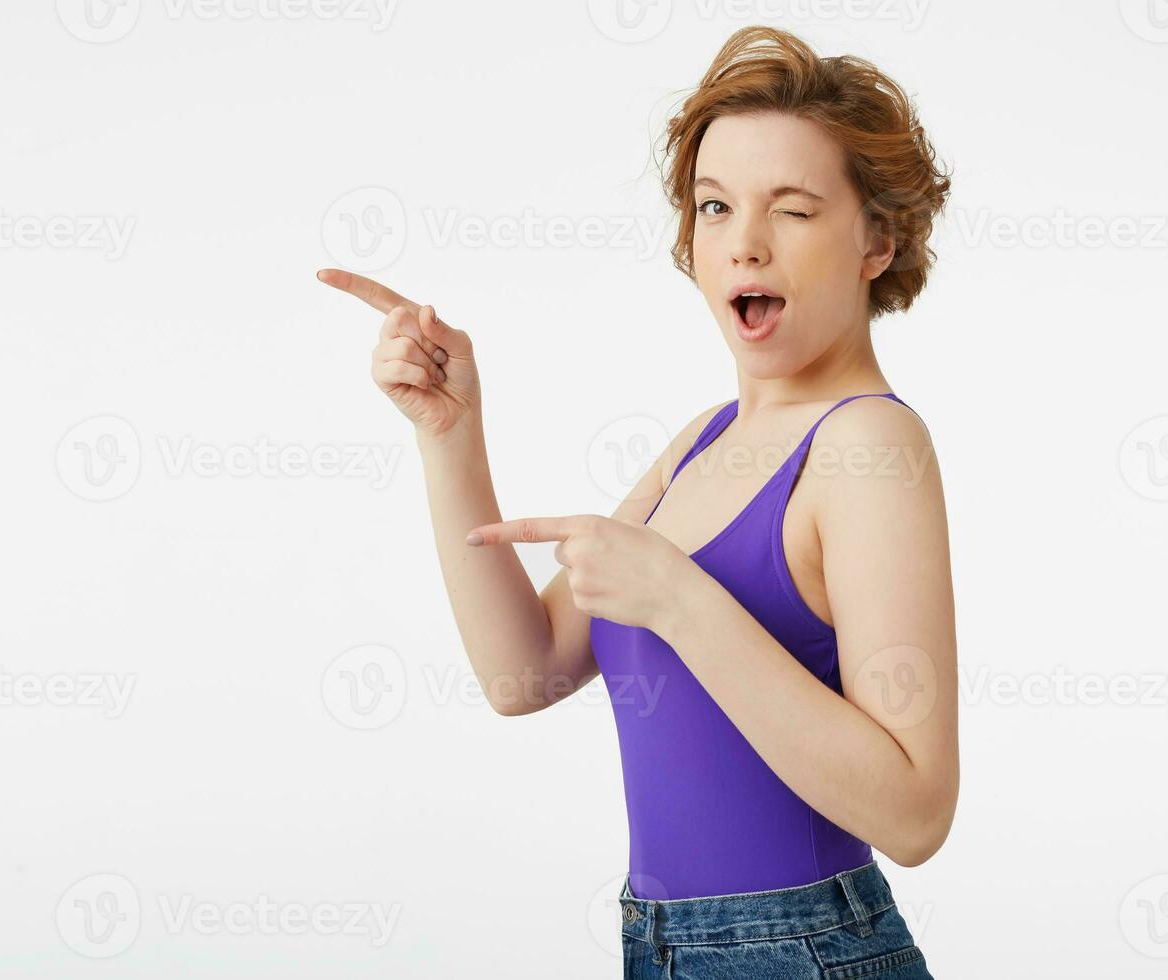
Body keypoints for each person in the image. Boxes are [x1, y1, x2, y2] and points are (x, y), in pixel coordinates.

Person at [318, 24, 955, 979]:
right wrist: (451, 435)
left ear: (877, 240)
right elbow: (522, 674)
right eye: (713, 205)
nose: (743, 243)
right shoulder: (699, 444)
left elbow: (915, 813)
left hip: (800, 952)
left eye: (791, 209)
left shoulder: (868, 444)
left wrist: (681, 602)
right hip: (658, 947)